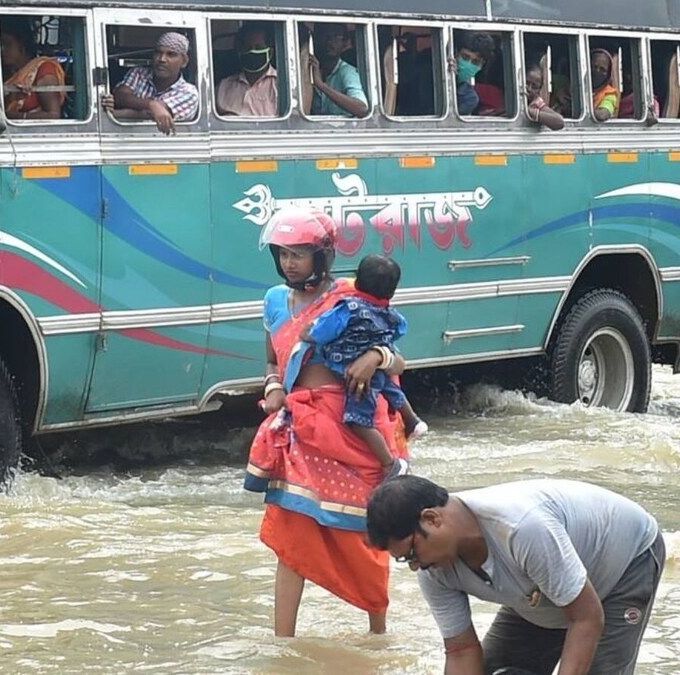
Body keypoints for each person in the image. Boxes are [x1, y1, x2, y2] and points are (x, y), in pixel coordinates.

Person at [244, 209, 410, 637]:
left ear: (324, 256)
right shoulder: (273, 301)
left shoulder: (353, 297)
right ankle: (284, 643)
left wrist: (375, 357)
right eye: (283, 254)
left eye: (299, 254)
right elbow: (271, 360)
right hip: (298, 431)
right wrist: (272, 388)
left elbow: (400, 357)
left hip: (351, 427)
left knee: (367, 537)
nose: (289, 263)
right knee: (290, 536)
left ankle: (379, 636)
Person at [367, 476, 665, 675]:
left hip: (624, 564)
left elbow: (586, 618)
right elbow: (461, 650)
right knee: (496, 668)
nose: (415, 566)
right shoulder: (435, 571)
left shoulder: (520, 528)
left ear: (432, 519)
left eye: (411, 554)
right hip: (541, 588)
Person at [301, 254, 427, 476]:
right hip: (378, 372)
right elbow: (400, 331)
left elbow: (322, 332)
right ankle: (412, 419)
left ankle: (389, 463)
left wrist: (307, 332)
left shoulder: (347, 308)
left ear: (356, 280)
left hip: (354, 377)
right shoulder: (392, 315)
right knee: (389, 387)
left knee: (357, 420)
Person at [102, 31, 199, 134]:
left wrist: (113, 113)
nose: (162, 59)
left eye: (171, 54)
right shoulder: (139, 73)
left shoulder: (188, 92)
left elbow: (149, 114)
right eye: (158, 53)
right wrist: (152, 105)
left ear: (184, 62)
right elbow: (120, 96)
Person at [0, 17, 65, 120]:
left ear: (22, 45)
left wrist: (14, 117)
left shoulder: (44, 69)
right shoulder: (8, 72)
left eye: (7, 44)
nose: (2, 50)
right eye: (1, 45)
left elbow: (53, 115)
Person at [216, 22, 279, 117]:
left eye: (258, 48)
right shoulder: (223, 86)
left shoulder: (281, 86)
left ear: (270, 52)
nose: (252, 51)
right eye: (247, 48)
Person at [306, 23, 368, 118]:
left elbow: (362, 109)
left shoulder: (346, 72)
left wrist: (322, 86)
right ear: (315, 40)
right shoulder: (309, 69)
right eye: (325, 36)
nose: (330, 42)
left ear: (345, 43)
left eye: (336, 37)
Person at [450, 31, 495, 116]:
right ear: (455, 54)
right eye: (465, 57)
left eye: (475, 62)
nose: (468, 64)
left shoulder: (470, 98)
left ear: (481, 66)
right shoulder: (430, 73)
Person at [526, 64, 565, 131]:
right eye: (526, 83)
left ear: (539, 90)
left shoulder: (536, 103)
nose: (529, 89)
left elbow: (560, 122)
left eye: (534, 87)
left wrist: (530, 112)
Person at [591, 48, 620, 122]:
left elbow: (602, 115)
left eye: (602, 69)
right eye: (594, 67)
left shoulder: (610, 94)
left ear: (608, 74)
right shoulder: (575, 87)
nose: (597, 71)